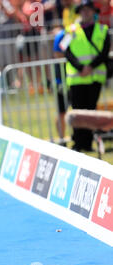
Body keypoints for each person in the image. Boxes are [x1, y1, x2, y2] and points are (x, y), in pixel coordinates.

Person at [63, 0, 110, 152]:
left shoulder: (103, 29)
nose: (86, 12)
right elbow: (66, 51)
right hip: (77, 77)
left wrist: (90, 67)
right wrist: (81, 67)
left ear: (93, 12)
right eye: (83, 10)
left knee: (90, 111)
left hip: (95, 76)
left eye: (88, 9)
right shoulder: (71, 30)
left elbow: (104, 52)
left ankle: (88, 143)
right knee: (77, 110)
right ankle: (77, 142)